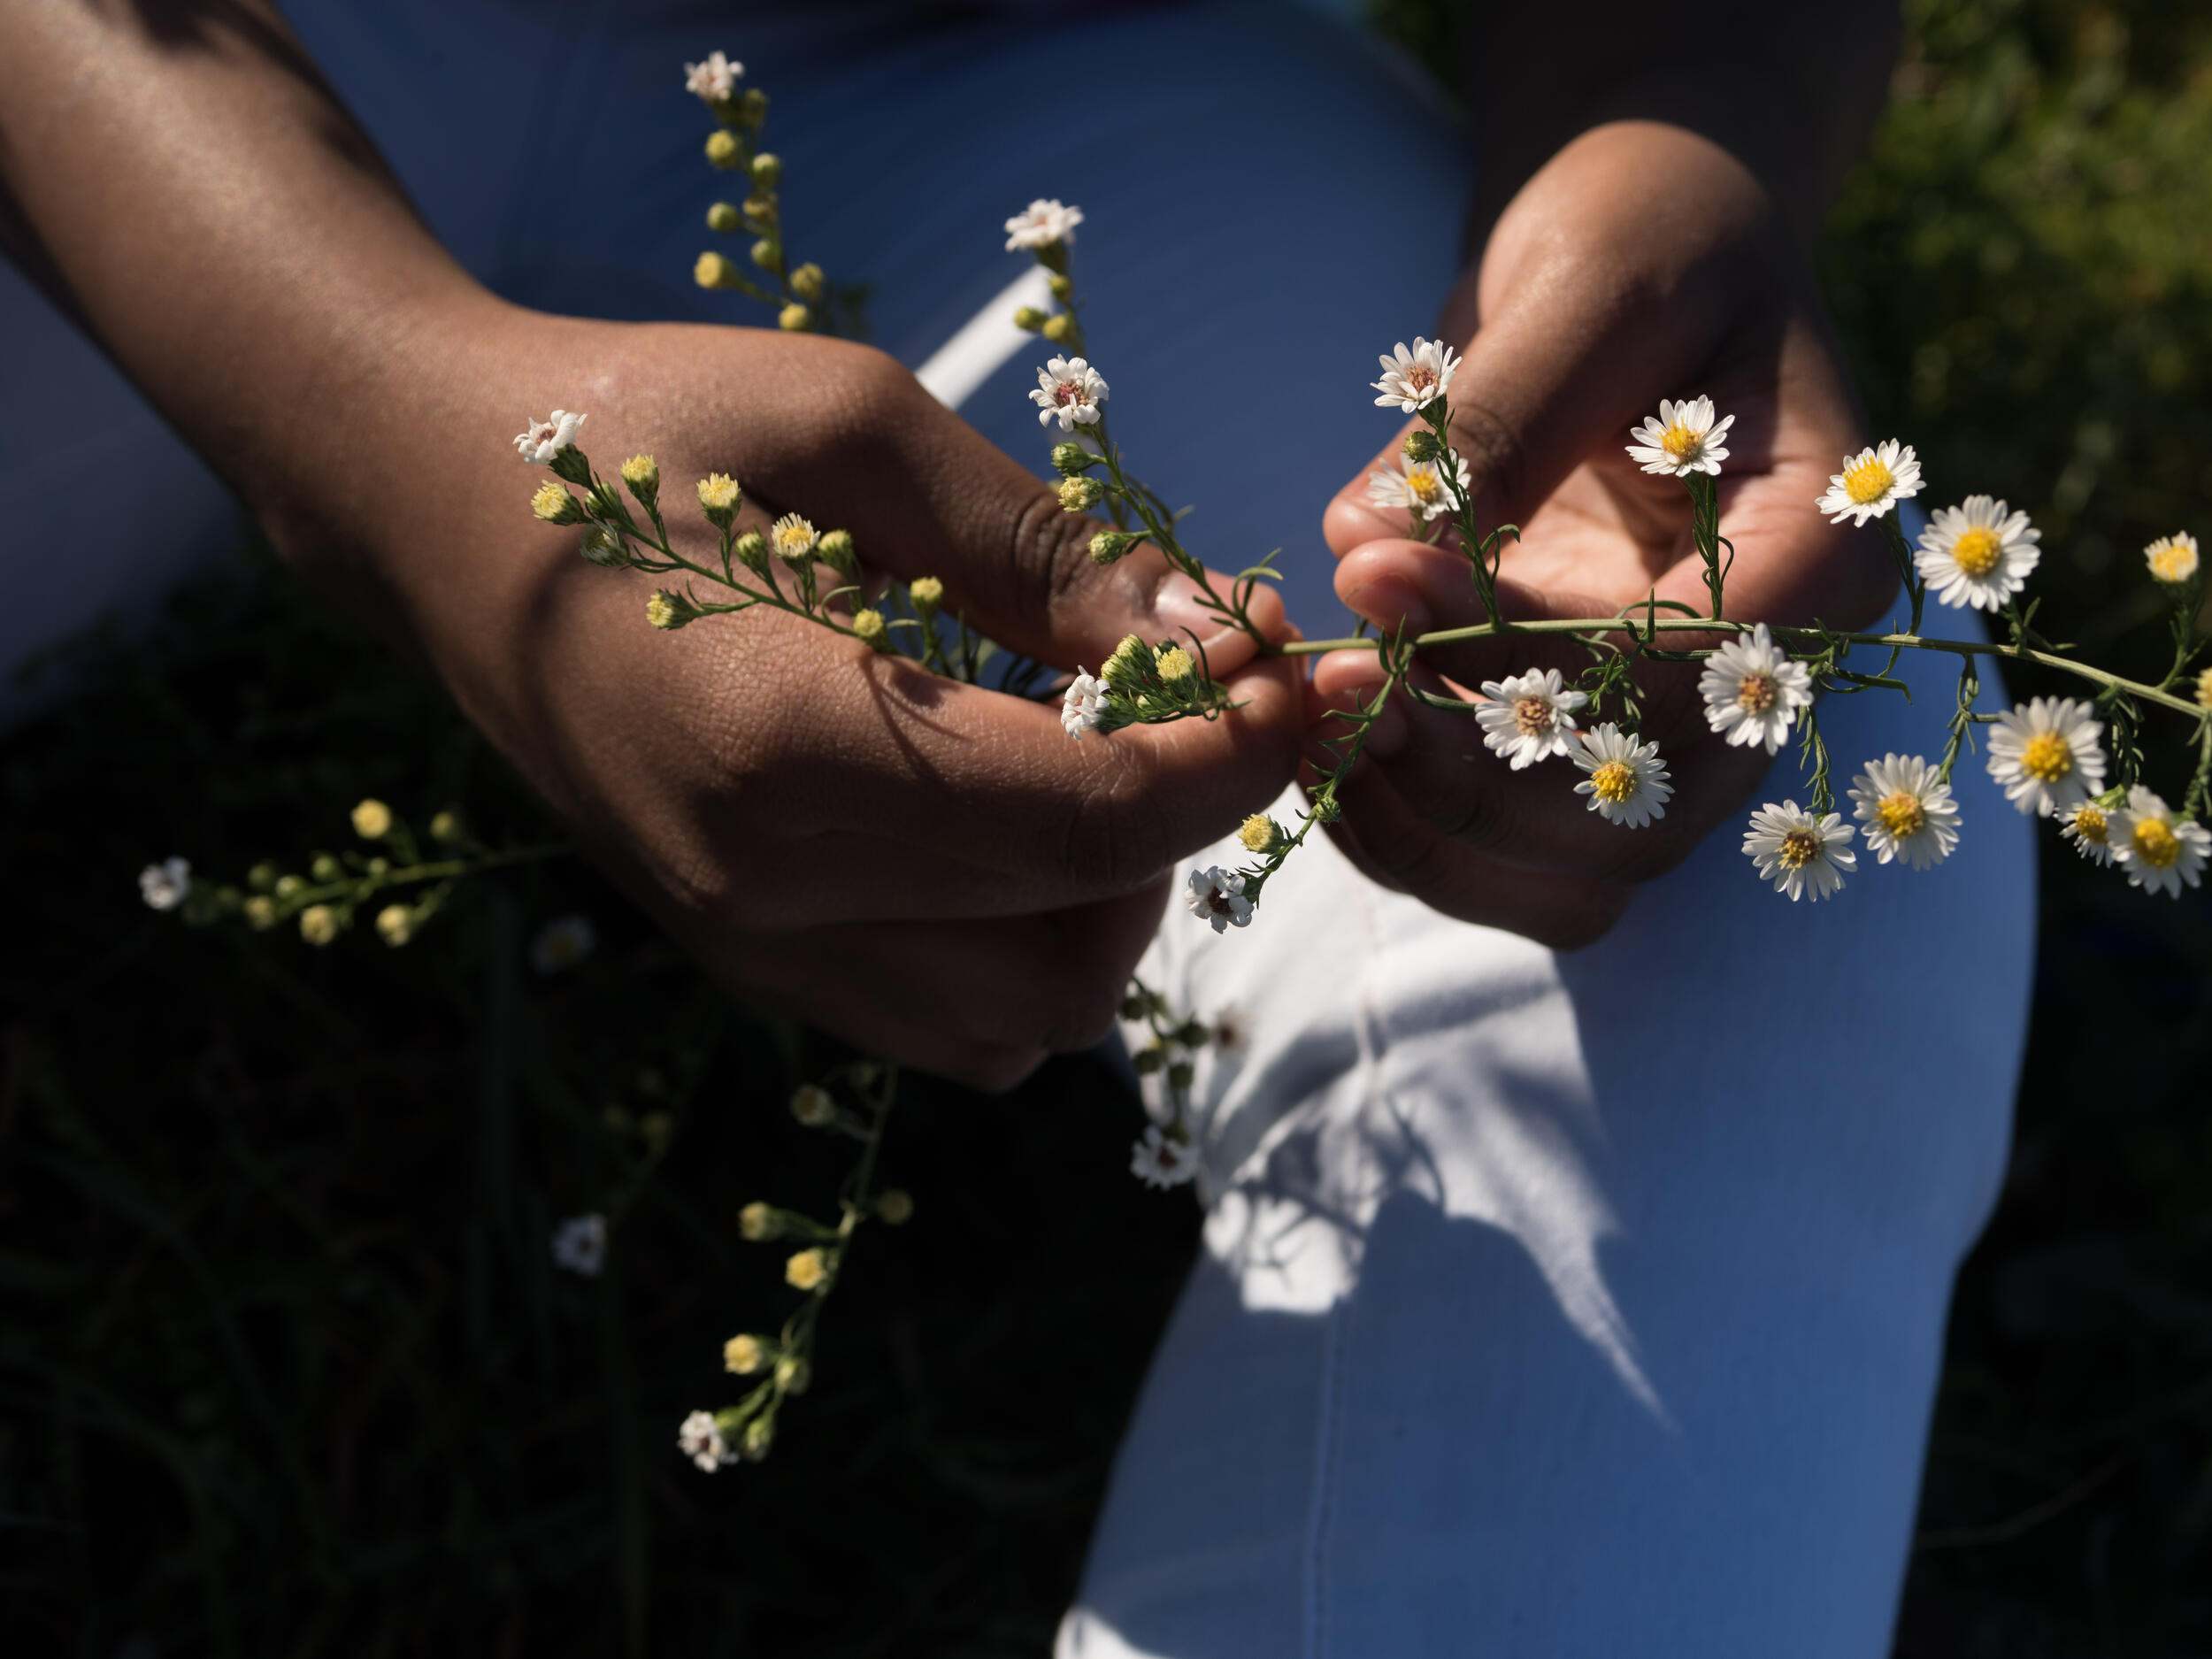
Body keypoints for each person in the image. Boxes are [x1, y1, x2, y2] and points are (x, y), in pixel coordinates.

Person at [1, 3, 2032, 1652]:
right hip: (109, 94)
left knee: (1804, 797)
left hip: (1029, 57)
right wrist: (366, 409)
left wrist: (1680, 104)